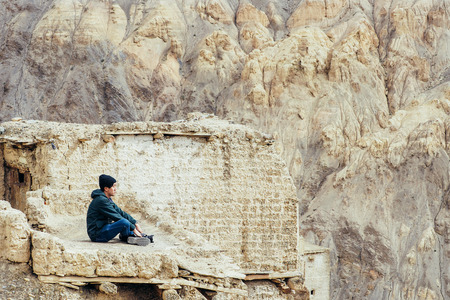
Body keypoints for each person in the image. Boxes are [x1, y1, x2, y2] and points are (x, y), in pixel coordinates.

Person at [86, 174, 153, 246]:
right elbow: (116, 216)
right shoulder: (101, 200)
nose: (115, 189)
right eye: (113, 186)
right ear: (106, 188)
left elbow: (120, 212)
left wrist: (135, 223)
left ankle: (128, 236)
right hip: (97, 235)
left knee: (125, 221)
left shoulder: (107, 199)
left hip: (103, 228)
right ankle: (130, 236)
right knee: (124, 222)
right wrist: (134, 229)